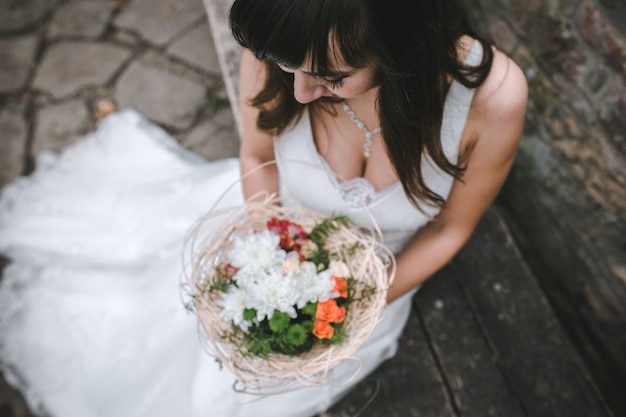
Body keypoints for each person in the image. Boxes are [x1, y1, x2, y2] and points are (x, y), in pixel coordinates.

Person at [0, 0, 527, 416]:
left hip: (377, 288)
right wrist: (271, 245)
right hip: (267, 236)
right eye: (286, 68)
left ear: (401, 43)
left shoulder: (492, 98)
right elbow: (256, 153)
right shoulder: (287, 34)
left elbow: (451, 231)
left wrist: (348, 309)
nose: (299, 93)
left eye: (330, 76)